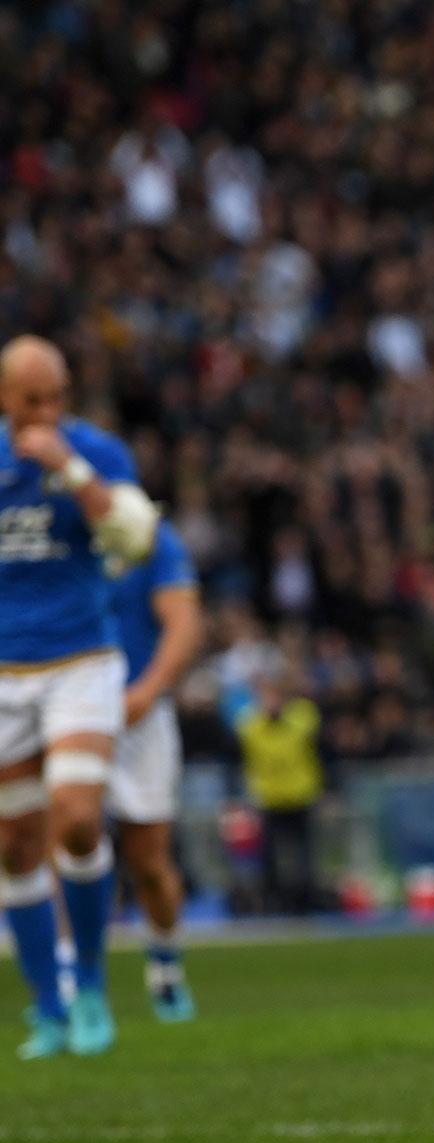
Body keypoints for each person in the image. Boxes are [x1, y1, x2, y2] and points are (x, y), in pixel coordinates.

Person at [0, 336, 157, 1059]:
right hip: (6, 672)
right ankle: (49, 1007)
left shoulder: (94, 450)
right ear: (5, 399)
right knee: (12, 844)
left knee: (77, 819)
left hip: (82, 660)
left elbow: (133, 538)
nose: (45, 412)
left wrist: (66, 466)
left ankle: (90, 981)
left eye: (55, 397)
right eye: (31, 400)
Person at [106, 519, 203, 1023]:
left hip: (139, 715)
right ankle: (71, 981)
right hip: (59, 705)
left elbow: (183, 620)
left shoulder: (145, 535)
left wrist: (148, 691)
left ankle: (165, 963)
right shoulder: (31, 533)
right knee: (61, 839)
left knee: (148, 859)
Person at [236, 675, 323, 914]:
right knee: (269, 856)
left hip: (300, 794)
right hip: (269, 798)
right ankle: (273, 902)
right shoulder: (251, 726)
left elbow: (316, 748)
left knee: (304, 854)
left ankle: (304, 901)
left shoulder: (302, 718)